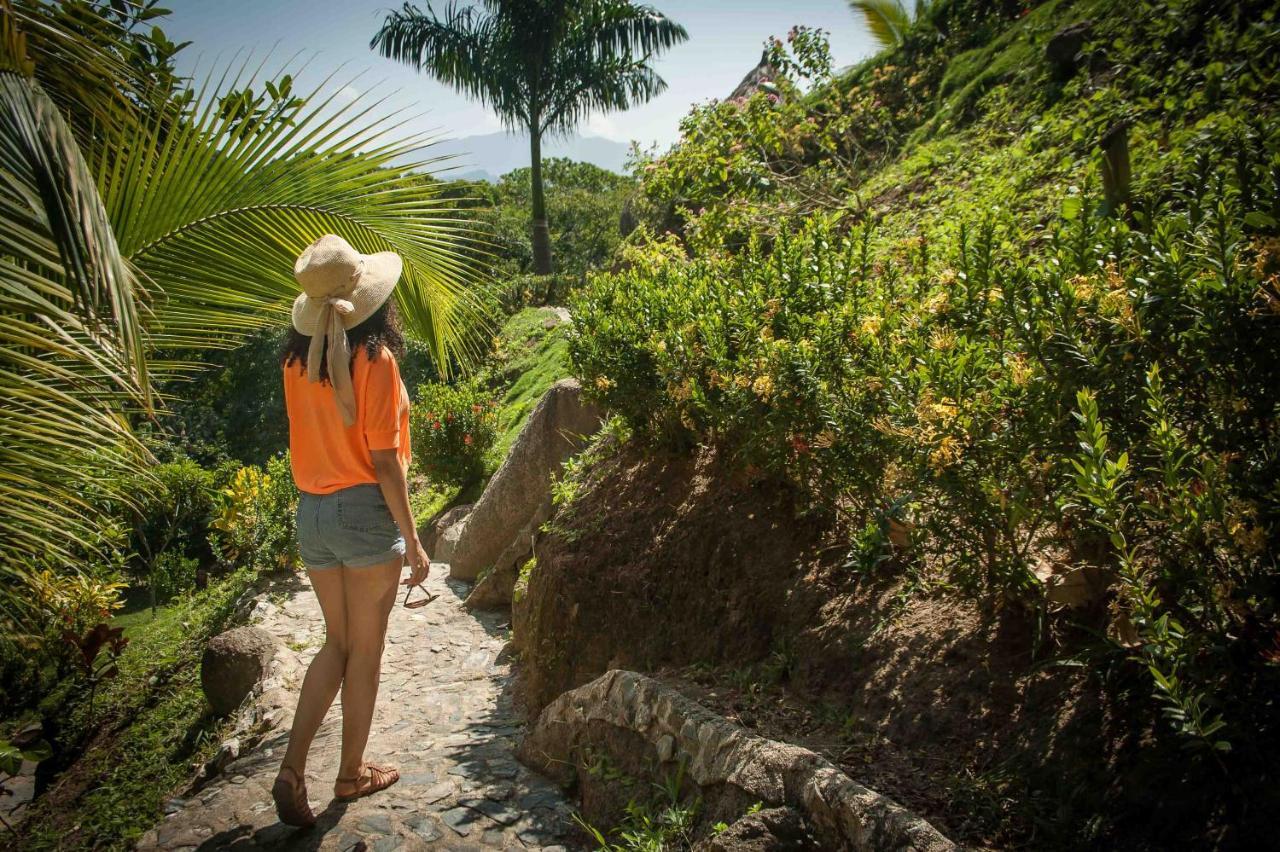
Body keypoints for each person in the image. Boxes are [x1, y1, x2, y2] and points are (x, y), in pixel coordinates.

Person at [270, 234, 431, 827]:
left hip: (312, 512)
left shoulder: (294, 363)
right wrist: (413, 540)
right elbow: (384, 460)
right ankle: (350, 772)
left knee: (334, 644)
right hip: (363, 510)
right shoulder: (376, 361)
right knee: (365, 652)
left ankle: (290, 769)